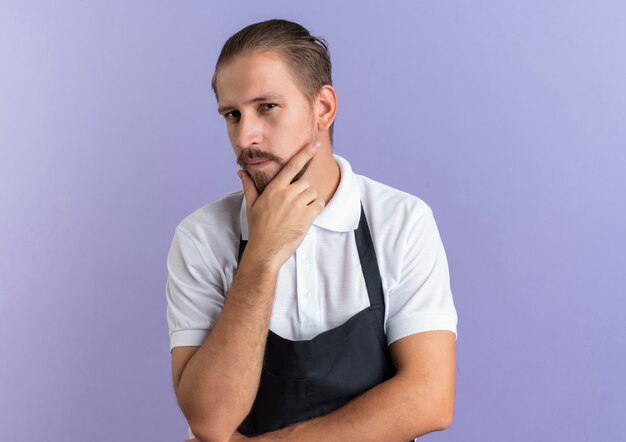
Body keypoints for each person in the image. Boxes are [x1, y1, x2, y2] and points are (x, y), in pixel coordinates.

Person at [166, 19, 458, 442]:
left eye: (267, 107)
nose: (245, 136)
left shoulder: (401, 221)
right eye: (233, 114)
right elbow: (211, 421)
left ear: (323, 108)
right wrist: (262, 257)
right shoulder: (201, 237)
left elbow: (429, 398)